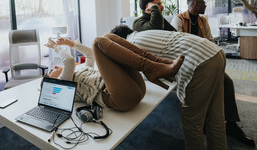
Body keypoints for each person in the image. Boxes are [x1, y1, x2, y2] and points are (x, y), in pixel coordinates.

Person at [111, 25, 227, 150]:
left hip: (198, 61)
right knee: (215, 117)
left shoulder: (132, 44)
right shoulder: (145, 34)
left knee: (192, 121)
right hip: (215, 53)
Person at [171, 0, 255, 147]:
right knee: (205, 88)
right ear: (194, 4)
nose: (205, 5)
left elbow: (210, 40)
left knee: (227, 83)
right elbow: (177, 44)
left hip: (205, 60)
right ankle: (204, 121)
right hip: (187, 63)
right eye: (203, 3)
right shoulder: (178, 20)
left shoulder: (203, 20)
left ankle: (231, 123)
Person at [43, 35, 184, 111]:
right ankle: (153, 69)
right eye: (51, 71)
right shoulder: (63, 83)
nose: (54, 67)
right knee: (98, 41)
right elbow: (68, 61)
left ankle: (156, 64)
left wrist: (71, 44)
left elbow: (90, 55)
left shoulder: (79, 71)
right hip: (118, 99)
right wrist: (56, 48)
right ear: (51, 80)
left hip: (135, 89)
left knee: (109, 37)